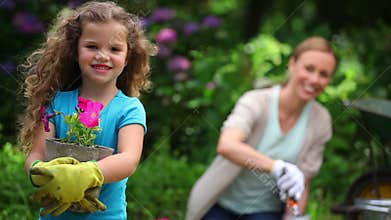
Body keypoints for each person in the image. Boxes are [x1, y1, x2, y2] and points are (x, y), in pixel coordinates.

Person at [20, 1, 156, 219]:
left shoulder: (130, 109)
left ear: (127, 57)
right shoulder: (55, 103)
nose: (102, 55)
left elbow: (129, 159)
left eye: (114, 49)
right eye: (92, 46)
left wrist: (88, 173)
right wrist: (40, 171)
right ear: (75, 50)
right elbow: (37, 154)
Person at [186, 37, 338, 220]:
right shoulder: (256, 101)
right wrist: (276, 167)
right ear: (292, 64)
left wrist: (294, 217)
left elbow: (302, 181)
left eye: (323, 74)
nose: (314, 79)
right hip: (219, 204)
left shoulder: (321, 120)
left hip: (265, 212)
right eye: (309, 68)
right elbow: (227, 145)